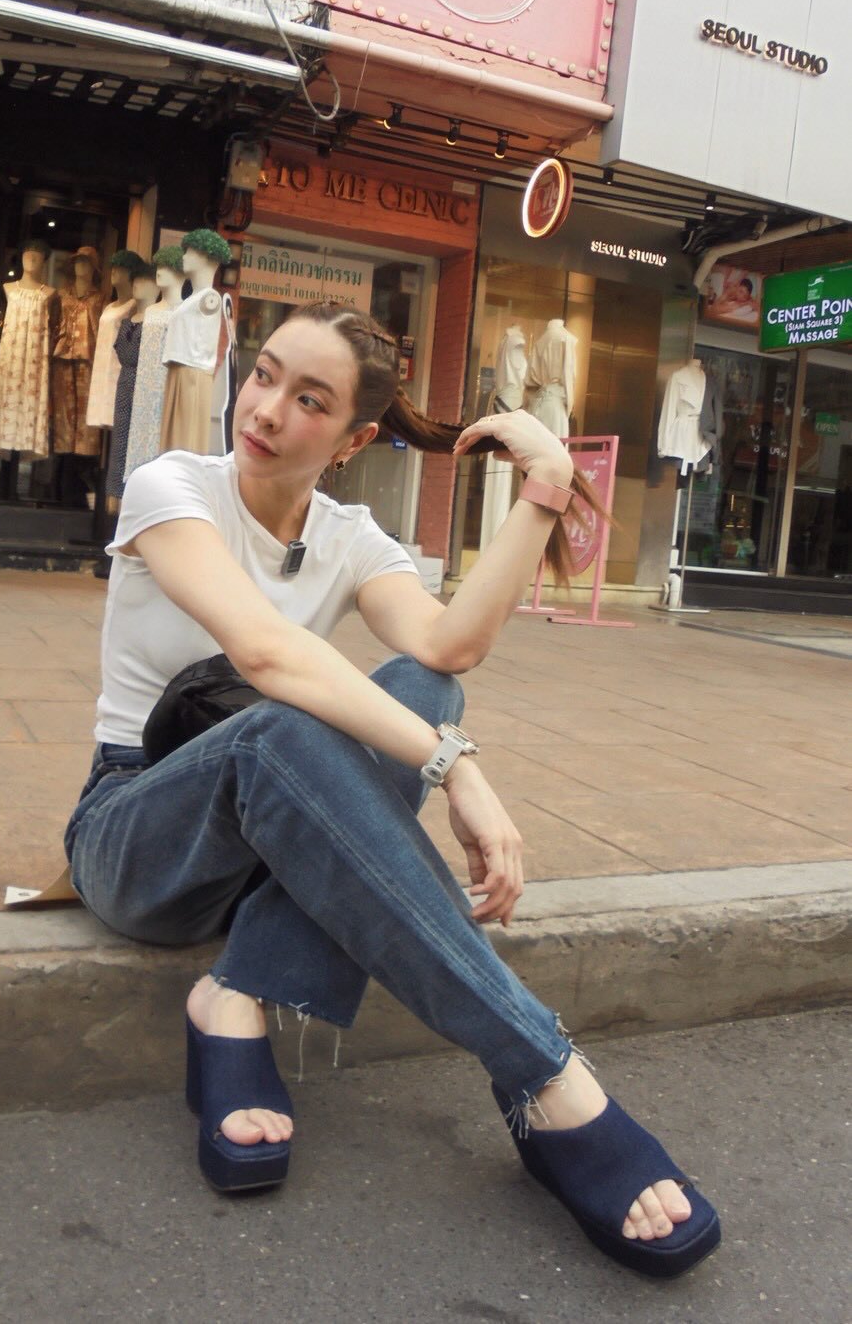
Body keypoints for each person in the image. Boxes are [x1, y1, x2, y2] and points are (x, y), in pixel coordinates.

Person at [65, 303, 720, 1278]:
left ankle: (235, 991)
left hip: (266, 836)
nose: (267, 409)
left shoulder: (348, 535)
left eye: (310, 399)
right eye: (265, 375)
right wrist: (457, 769)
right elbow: (266, 653)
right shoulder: (173, 487)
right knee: (289, 724)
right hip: (135, 827)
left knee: (426, 686)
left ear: (353, 439)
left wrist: (545, 485)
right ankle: (543, 1071)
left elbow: (451, 645)